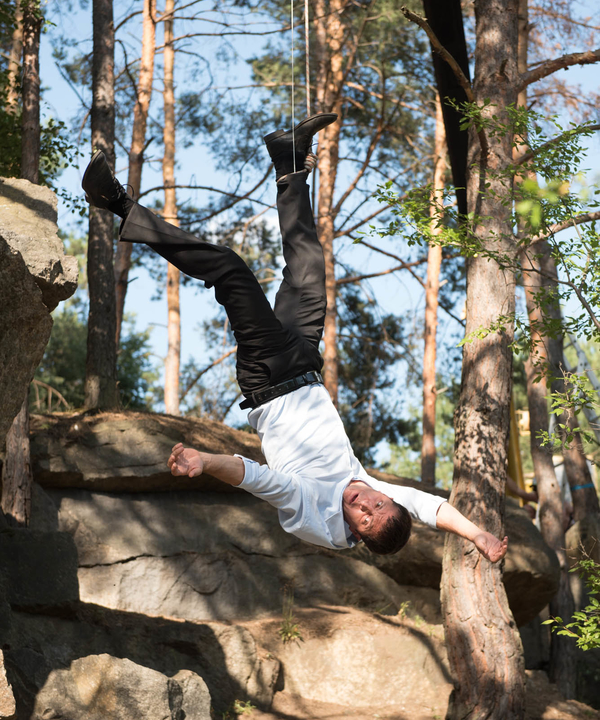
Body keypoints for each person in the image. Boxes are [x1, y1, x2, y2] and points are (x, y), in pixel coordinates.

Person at [82, 113, 508, 563]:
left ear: (356, 534)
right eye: (377, 505)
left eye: (364, 517)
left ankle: (115, 202)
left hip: (267, 375)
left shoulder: (314, 512)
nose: (364, 503)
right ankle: (288, 163)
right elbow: (431, 506)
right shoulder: (378, 493)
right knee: (308, 265)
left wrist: (204, 462)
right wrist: (476, 534)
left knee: (230, 269)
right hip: (304, 361)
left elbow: (255, 477)